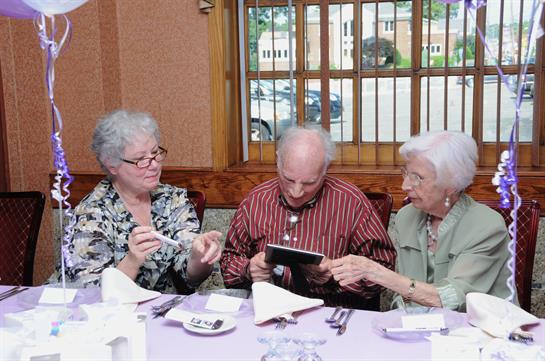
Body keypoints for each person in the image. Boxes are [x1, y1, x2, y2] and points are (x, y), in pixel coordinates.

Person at [330, 130, 512, 311]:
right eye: (406, 174)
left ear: (451, 184)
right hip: (420, 331)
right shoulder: (406, 217)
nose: (405, 186)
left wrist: (375, 272)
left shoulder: (487, 226)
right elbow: (403, 298)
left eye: (417, 178)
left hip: (480, 332)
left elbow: (453, 299)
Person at [220, 126, 396, 309]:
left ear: (326, 169)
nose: (296, 192)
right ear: (278, 161)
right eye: (288, 179)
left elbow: (384, 271)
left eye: (309, 183)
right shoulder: (257, 199)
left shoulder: (350, 202)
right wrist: (248, 269)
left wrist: (334, 276)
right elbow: (228, 261)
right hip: (268, 313)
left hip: (330, 316)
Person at [53, 109, 222, 293]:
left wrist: (200, 257)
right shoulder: (91, 214)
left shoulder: (172, 200)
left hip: (155, 313)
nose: (155, 165)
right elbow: (91, 296)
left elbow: (189, 274)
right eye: (141, 159)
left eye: (155, 153)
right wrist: (132, 261)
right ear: (112, 164)